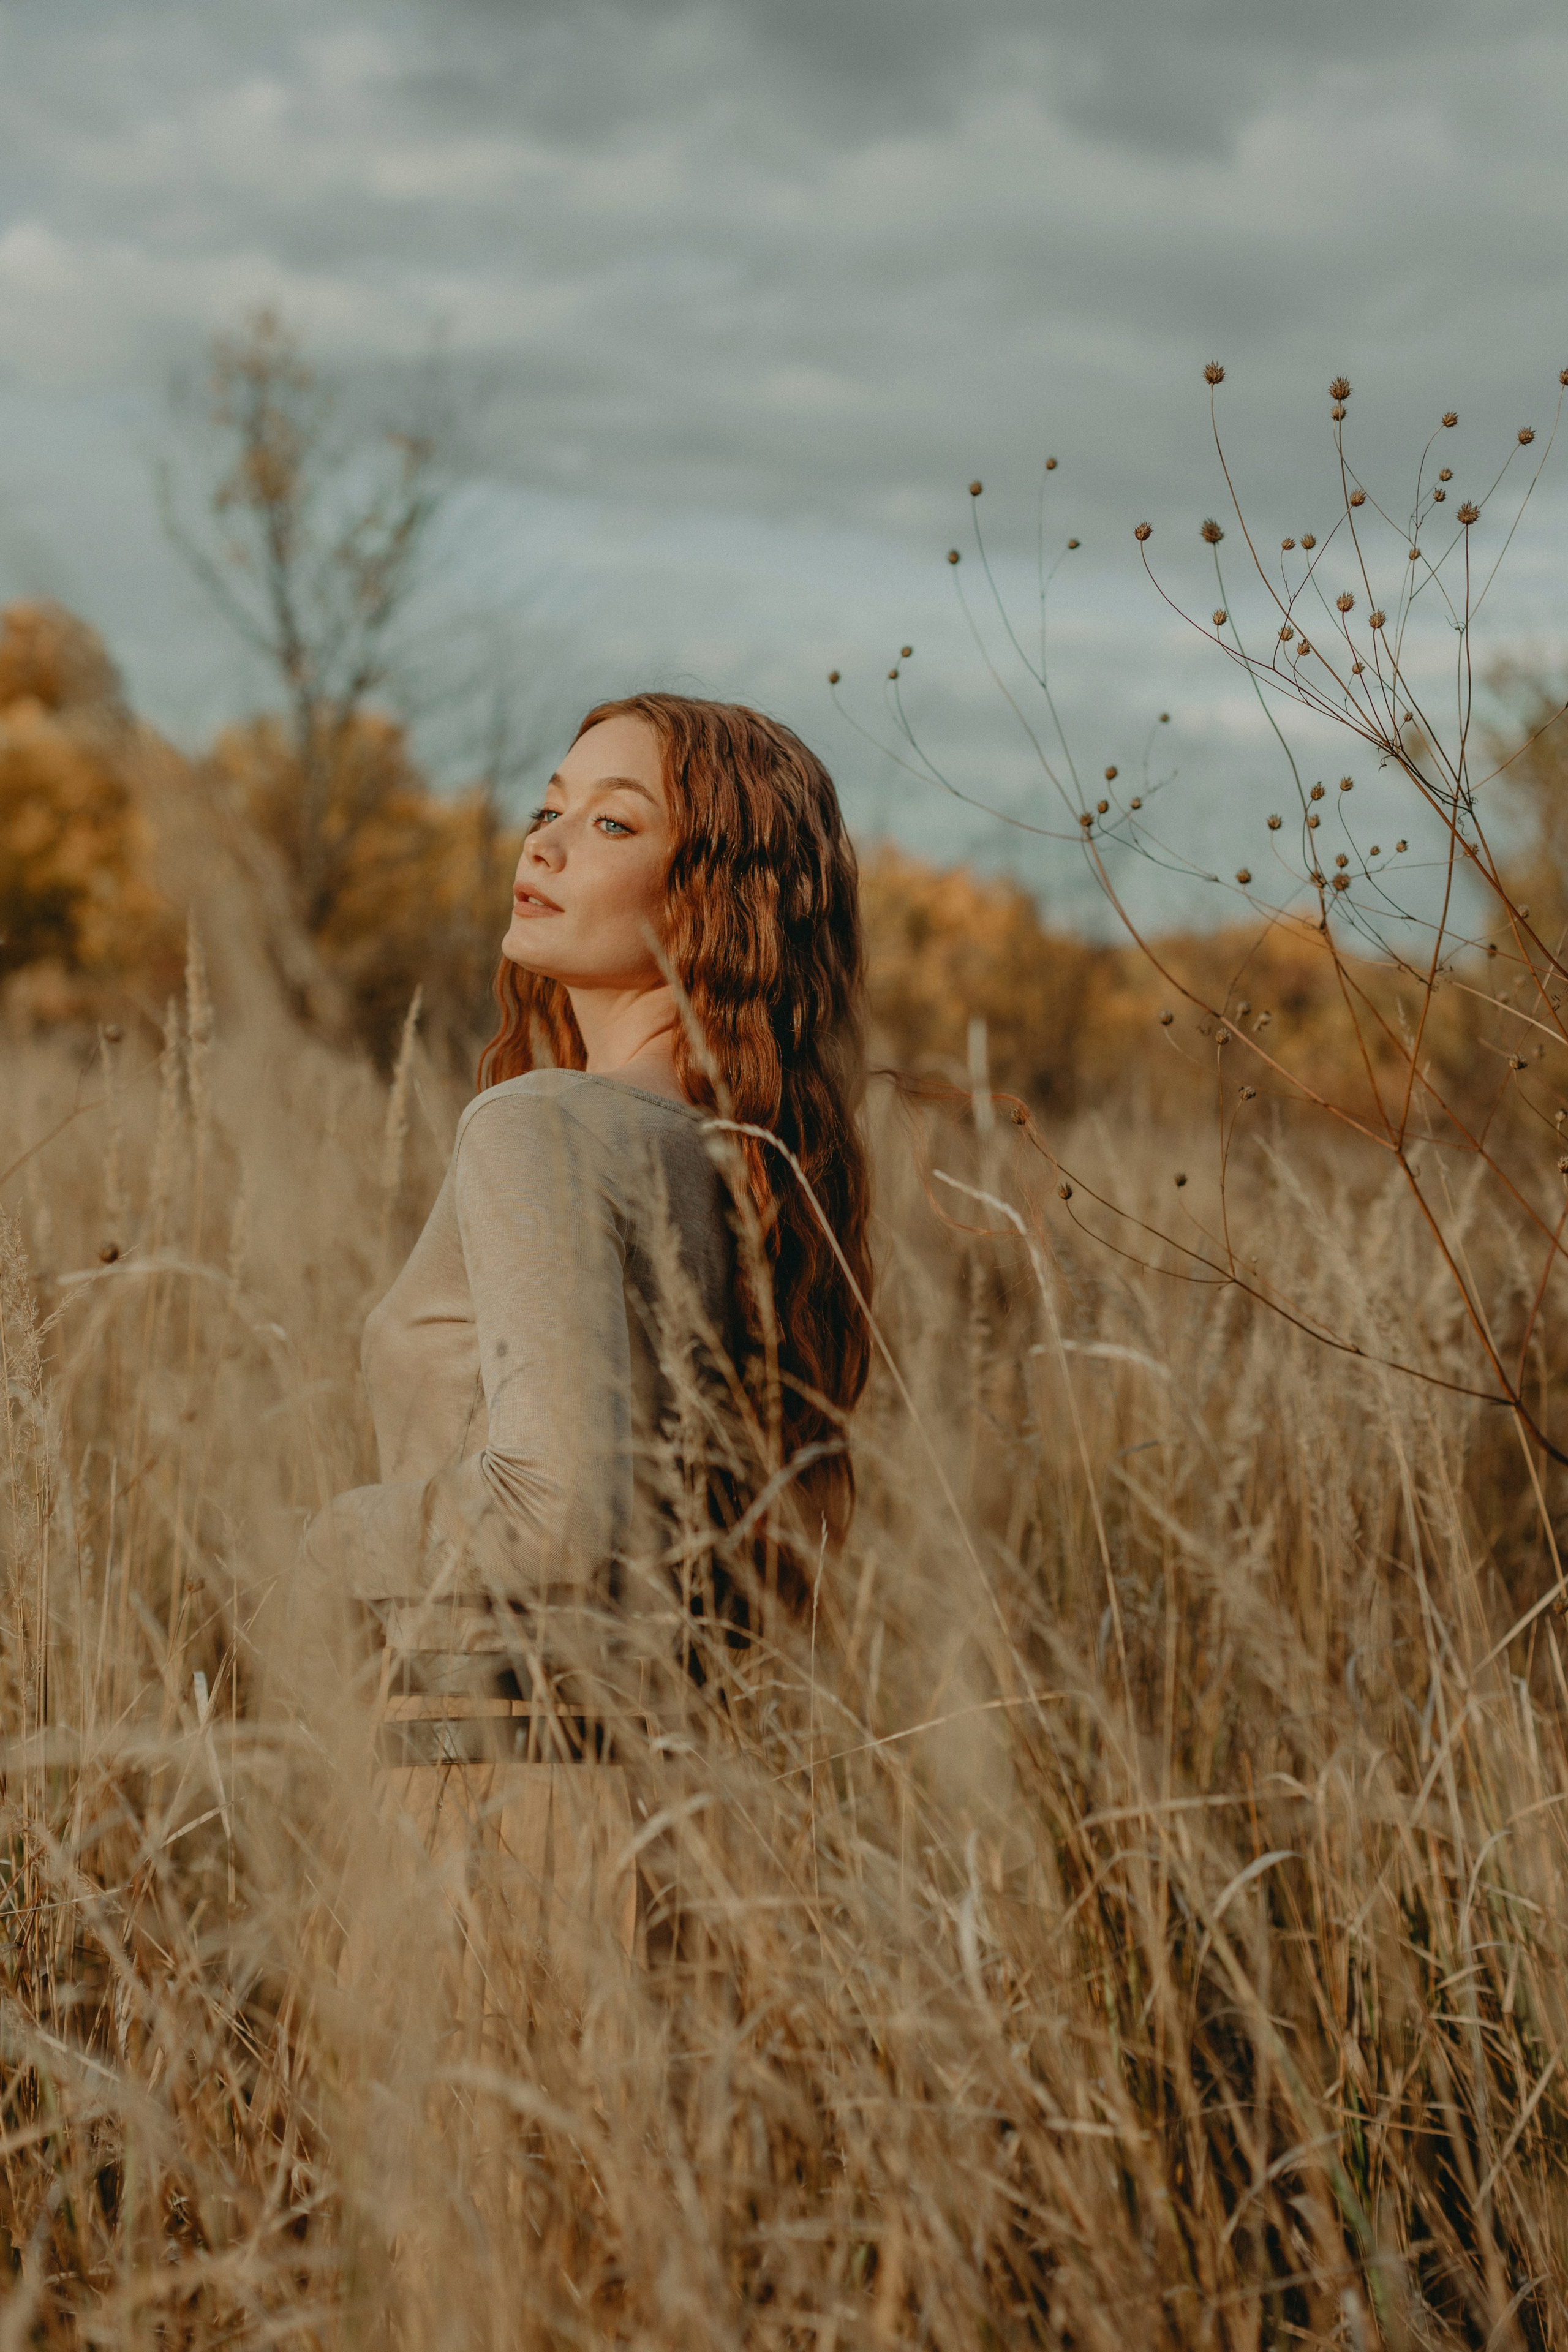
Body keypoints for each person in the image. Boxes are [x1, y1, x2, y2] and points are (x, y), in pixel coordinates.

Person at [303, 693, 873, 1974]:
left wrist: (317, 1541)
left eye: (610, 821)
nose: (544, 846)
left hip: (494, 1801)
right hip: (677, 1805)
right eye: (544, 808)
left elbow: (555, 1511)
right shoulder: (749, 1160)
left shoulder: (538, 1125)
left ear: (711, 892)